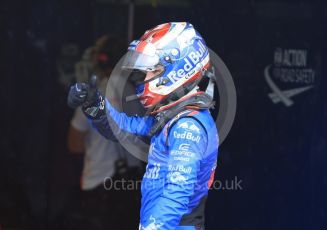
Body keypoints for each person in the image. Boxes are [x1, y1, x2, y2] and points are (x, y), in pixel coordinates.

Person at [68, 22, 219, 230]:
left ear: (179, 69)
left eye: (152, 71)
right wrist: (96, 105)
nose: (144, 79)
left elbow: (179, 191)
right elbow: (126, 129)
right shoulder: (174, 116)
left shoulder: (188, 126)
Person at [67, 35, 142, 230]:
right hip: (130, 185)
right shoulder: (138, 96)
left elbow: (74, 144)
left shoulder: (93, 95)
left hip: (101, 186)